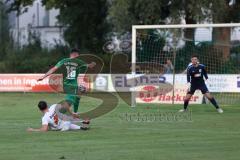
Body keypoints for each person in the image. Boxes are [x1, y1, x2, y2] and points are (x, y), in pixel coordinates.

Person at [37, 48, 96, 113]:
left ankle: (74, 114)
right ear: (76, 54)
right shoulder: (79, 62)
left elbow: (53, 69)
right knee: (69, 102)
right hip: (71, 85)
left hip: (67, 84)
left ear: (70, 54)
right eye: (78, 55)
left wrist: (43, 76)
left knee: (78, 96)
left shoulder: (64, 61)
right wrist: (93, 64)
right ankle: (54, 114)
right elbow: (90, 66)